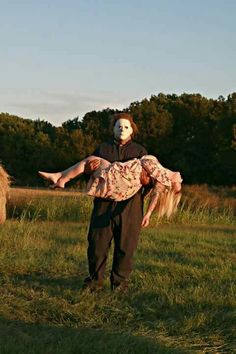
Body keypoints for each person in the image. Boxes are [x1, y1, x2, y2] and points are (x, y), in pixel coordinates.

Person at [40, 113, 180, 292]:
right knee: (97, 245)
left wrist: (147, 187)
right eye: (118, 126)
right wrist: (89, 171)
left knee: (125, 248)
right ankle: (94, 283)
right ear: (113, 129)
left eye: (126, 127)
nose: (122, 129)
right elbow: (94, 174)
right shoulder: (103, 148)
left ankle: (120, 285)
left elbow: (154, 182)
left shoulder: (140, 151)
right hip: (103, 205)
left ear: (132, 130)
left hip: (130, 206)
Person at [39, 155, 182, 226]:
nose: (180, 179)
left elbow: (155, 197)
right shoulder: (161, 172)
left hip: (122, 177)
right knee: (91, 160)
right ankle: (60, 178)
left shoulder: (163, 182)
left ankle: (61, 178)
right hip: (122, 176)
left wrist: (148, 214)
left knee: (90, 159)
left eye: (178, 184)